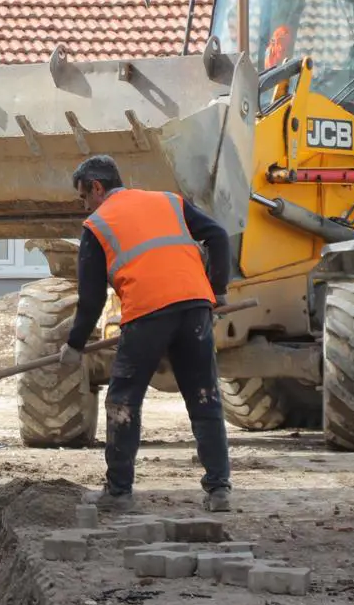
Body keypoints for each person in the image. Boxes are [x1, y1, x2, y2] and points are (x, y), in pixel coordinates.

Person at [61, 155, 234, 513]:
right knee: (204, 397)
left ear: (97, 187)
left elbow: (91, 299)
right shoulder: (168, 201)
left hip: (147, 313)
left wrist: (75, 344)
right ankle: (219, 491)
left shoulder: (96, 225)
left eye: (84, 197)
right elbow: (217, 235)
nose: (85, 206)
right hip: (195, 308)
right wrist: (217, 290)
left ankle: (118, 493)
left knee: (123, 401)